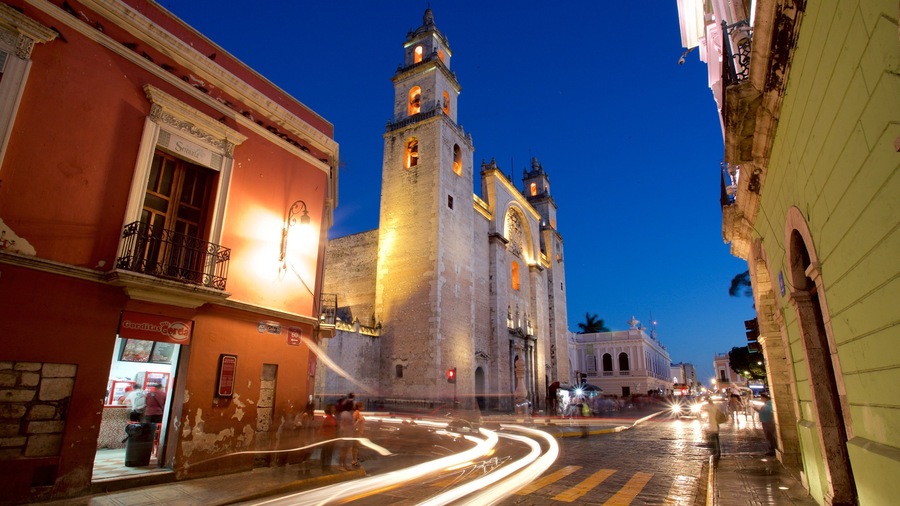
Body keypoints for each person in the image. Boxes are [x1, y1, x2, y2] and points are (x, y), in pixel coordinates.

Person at [337, 397, 354, 471]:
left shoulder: (346, 413)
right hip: (345, 434)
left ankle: (343, 464)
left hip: (347, 434)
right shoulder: (346, 414)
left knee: (345, 450)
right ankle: (341, 465)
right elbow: (345, 424)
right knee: (343, 450)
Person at [319, 404, 337, 473]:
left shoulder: (332, 418)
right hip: (327, 438)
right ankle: (324, 468)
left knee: (329, 454)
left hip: (331, 438)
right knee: (326, 453)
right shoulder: (327, 418)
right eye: (333, 408)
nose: (334, 409)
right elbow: (322, 428)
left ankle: (327, 467)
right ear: (329, 409)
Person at [351, 401, 365, 467]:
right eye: (362, 406)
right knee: (355, 447)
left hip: (359, 432)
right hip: (356, 433)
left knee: (356, 447)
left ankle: (355, 459)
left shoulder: (358, 413)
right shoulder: (356, 413)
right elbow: (353, 424)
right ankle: (354, 460)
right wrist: (359, 420)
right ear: (359, 407)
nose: (363, 407)